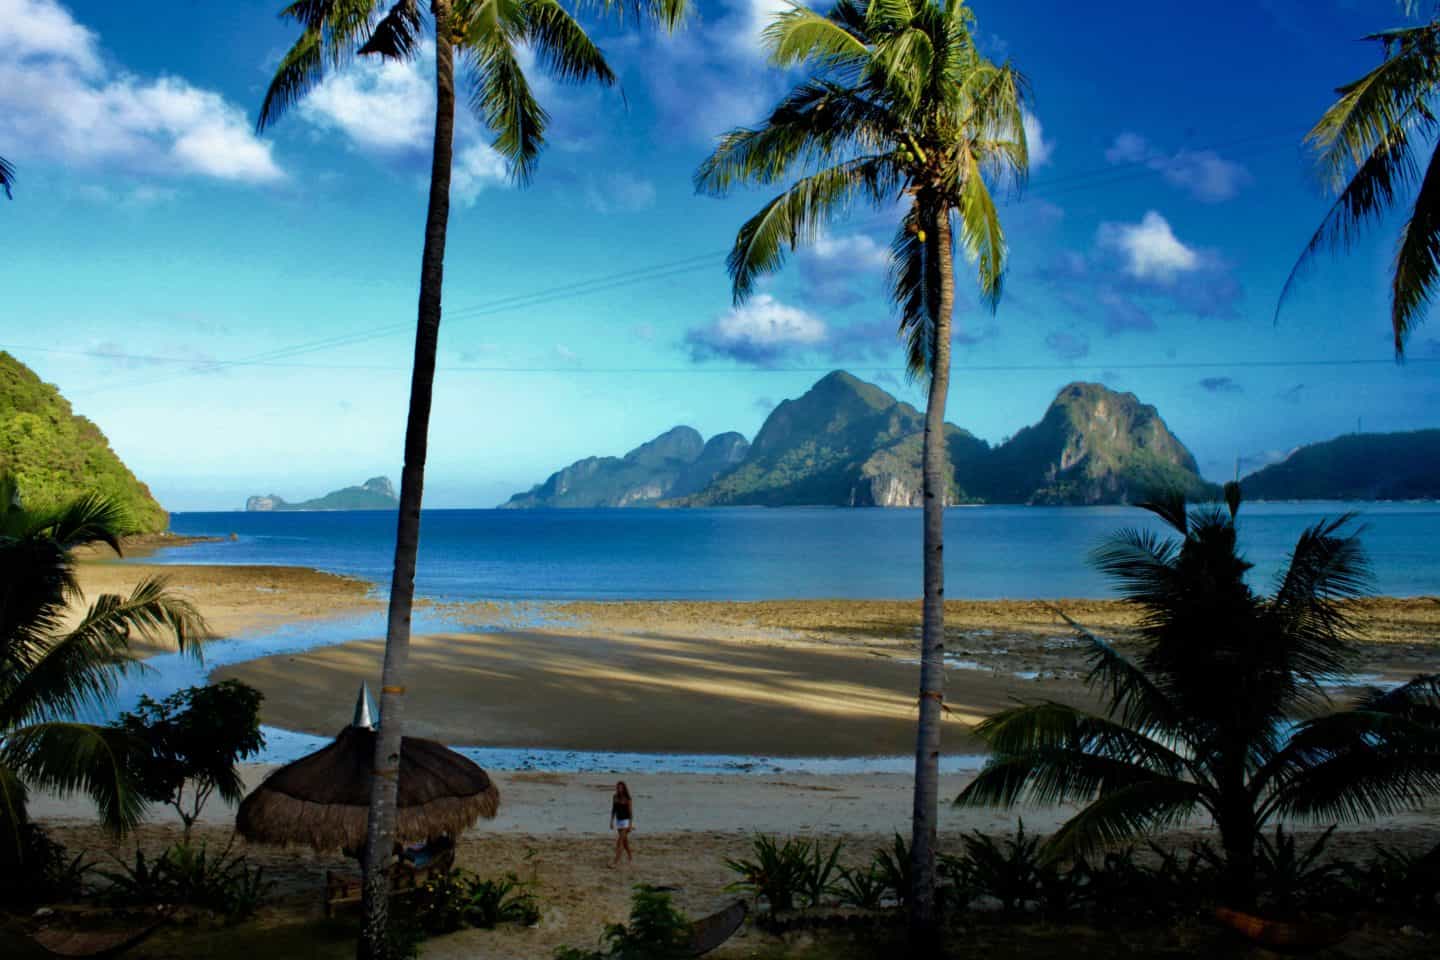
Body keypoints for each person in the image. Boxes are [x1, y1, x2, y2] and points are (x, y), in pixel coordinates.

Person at [610, 781, 634, 866]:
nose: (619, 789)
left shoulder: (628, 798)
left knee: (620, 841)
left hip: (626, 822)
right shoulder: (615, 797)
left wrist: (630, 825)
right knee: (624, 841)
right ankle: (630, 855)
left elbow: (630, 813)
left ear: (624, 789)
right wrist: (611, 821)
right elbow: (613, 810)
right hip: (619, 821)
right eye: (618, 787)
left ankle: (615, 862)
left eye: (621, 787)